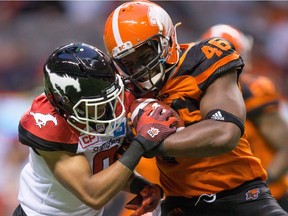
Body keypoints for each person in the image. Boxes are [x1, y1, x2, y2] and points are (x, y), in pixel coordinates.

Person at [103, 1, 288, 215]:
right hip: (181, 205)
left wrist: (150, 141)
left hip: (240, 195)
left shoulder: (205, 59)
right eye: (129, 63)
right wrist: (140, 184)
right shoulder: (126, 93)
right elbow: (106, 158)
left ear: (167, 39)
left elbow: (225, 133)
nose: (140, 68)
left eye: (144, 55)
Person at [13, 42, 178, 216]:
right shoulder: (49, 123)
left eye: (111, 96)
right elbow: (92, 194)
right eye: (96, 103)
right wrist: (141, 143)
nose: (108, 106)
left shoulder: (118, 98)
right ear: (65, 102)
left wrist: (140, 186)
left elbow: (101, 165)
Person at [201, 23, 288, 212]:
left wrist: (262, 185)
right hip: (229, 197)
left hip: (268, 197)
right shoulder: (196, 95)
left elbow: (285, 145)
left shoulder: (253, 92)